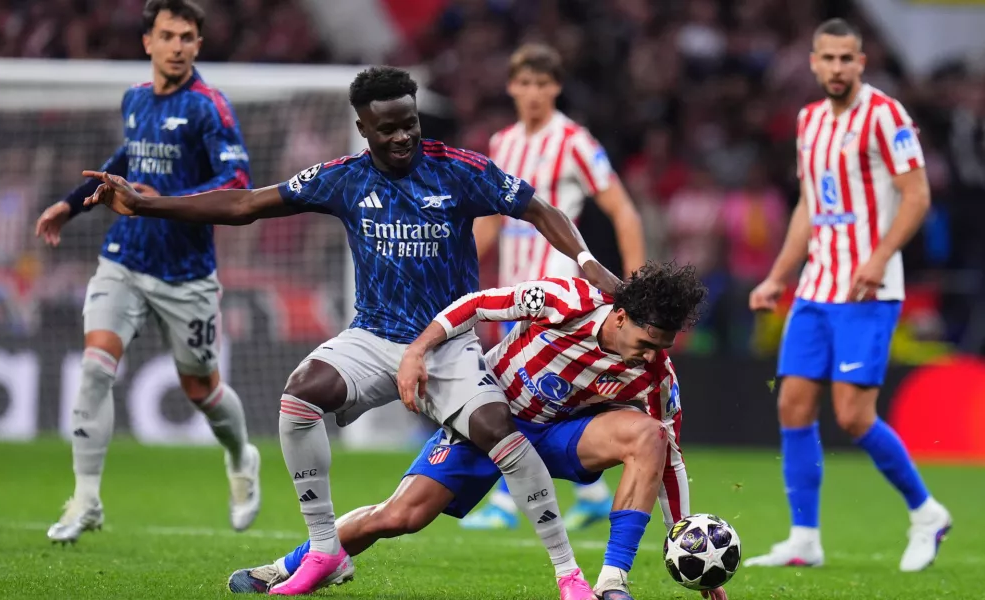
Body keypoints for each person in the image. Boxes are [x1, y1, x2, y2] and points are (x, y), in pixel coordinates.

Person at [83, 65, 622, 599]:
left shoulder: (460, 170)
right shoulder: (343, 177)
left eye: (409, 122)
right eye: (386, 127)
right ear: (364, 128)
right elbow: (246, 205)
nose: (402, 135)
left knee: (496, 427)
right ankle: (324, 550)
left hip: (445, 341)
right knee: (299, 395)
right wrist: (145, 204)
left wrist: (586, 261)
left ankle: (569, 577)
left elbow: (538, 207)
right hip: (372, 337)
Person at [228, 262, 727, 600]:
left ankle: (612, 583)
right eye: (645, 341)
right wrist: (418, 350)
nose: (651, 354)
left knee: (650, 437)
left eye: (661, 346)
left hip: (557, 437)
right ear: (620, 316)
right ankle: (291, 563)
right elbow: (476, 305)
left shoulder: (655, 373)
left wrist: (684, 540)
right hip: (486, 421)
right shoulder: (566, 300)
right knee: (398, 516)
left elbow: (671, 460)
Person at [35, 0, 260, 544]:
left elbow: (237, 183)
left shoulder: (210, 107)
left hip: (185, 273)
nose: (178, 45)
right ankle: (86, 499)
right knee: (94, 367)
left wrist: (161, 201)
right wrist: (72, 203)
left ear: (198, 45)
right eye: (168, 35)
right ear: (148, 42)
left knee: (201, 389)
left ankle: (241, 456)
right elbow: (125, 161)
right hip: (124, 260)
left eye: (188, 37)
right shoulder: (134, 99)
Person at [745, 18, 950, 571]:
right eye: (827, 58)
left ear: (862, 62)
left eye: (846, 59)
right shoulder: (809, 120)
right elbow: (810, 207)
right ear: (813, 62)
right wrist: (777, 277)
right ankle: (804, 538)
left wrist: (879, 257)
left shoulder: (886, 115)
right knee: (792, 403)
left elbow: (917, 194)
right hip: (816, 287)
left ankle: (927, 513)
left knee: (855, 416)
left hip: (869, 289)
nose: (836, 68)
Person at [468, 42, 646, 532]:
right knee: (536, 393)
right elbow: (493, 223)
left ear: (556, 87)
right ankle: (592, 493)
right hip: (515, 290)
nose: (532, 93)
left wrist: (636, 286)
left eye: (542, 84)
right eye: (524, 83)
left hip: (562, 290)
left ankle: (507, 501)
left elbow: (623, 210)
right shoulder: (503, 143)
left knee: (519, 391)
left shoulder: (574, 141)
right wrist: (458, 270)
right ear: (511, 87)